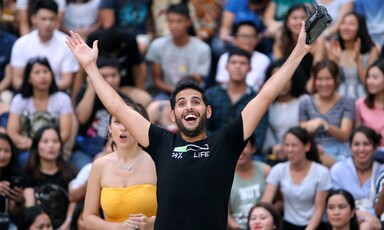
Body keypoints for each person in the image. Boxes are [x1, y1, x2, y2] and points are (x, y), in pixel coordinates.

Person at [65, 15, 315, 228]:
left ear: (207, 111)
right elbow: (118, 107)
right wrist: (90, 68)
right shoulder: (161, 142)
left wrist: (300, 50)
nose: (189, 106)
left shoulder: (226, 142)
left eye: (195, 102)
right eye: (181, 103)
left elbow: (266, 94)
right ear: (172, 116)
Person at [84, 99, 157, 229]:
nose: (123, 128)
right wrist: (118, 227)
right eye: (118, 122)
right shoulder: (100, 165)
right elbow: (88, 218)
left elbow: (177, 210)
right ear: (110, 128)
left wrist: (152, 223)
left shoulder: (157, 161)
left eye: (129, 121)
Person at [7, 57, 74, 166]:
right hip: (26, 149)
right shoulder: (19, 100)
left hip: (54, 148)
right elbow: (12, 132)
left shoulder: (62, 99)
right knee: (25, 160)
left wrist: (48, 145)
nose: (42, 76)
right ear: (28, 78)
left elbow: (65, 134)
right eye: (37, 72)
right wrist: (35, 145)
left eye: (46, 71)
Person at [261, 127, 331, 229]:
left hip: (314, 225)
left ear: (307, 146)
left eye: (294, 145)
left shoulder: (321, 172)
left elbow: (319, 210)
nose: (289, 150)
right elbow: (266, 202)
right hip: (287, 224)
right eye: (287, 145)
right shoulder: (278, 170)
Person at [207, 47, 268, 153]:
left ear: (250, 68)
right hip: (213, 150)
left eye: (243, 63)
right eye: (233, 62)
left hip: (245, 154)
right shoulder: (211, 95)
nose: (238, 66)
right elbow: (204, 128)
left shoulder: (257, 99)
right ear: (226, 67)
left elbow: (259, 136)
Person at [145, 3, 211, 98]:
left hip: (193, 93)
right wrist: (174, 91)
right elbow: (157, 81)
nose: (174, 26)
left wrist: (181, 93)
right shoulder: (157, 45)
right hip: (166, 93)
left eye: (179, 21)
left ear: (188, 22)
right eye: (171, 21)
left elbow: (197, 80)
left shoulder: (203, 48)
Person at [11, 0, 79, 92]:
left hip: (57, 93)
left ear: (57, 19)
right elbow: (16, 80)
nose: (47, 23)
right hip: (27, 94)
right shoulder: (21, 43)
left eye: (51, 19)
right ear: (34, 19)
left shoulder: (66, 43)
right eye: (43, 19)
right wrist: (35, 91)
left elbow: (67, 81)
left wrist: (44, 90)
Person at [23, 125, 78, 230]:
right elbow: (30, 208)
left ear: (60, 146)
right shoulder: (28, 173)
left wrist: (67, 224)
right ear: (36, 145)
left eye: (55, 141)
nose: (51, 145)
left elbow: (74, 200)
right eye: (45, 141)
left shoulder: (70, 171)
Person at [299, 60, 354, 162]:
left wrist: (323, 123)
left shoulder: (347, 101)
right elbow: (302, 131)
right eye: (319, 79)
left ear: (336, 79)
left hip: (339, 151)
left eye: (328, 79)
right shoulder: (305, 102)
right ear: (314, 80)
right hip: (313, 149)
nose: (324, 84)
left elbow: (345, 135)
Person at [330, 126, 383, 230]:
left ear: (376, 147)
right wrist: (364, 215)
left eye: (366, 144)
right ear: (350, 147)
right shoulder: (338, 170)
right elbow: (335, 204)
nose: (361, 149)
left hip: (376, 221)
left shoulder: (381, 170)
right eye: (356, 144)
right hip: (344, 219)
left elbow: (379, 208)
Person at [327, 12, 380, 100]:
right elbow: (330, 85)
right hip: (339, 100)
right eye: (343, 23)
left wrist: (358, 61)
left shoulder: (371, 51)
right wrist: (335, 61)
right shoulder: (336, 50)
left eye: (351, 24)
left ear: (360, 28)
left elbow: (370, 85)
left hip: (363, 100)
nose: (346, 27)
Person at [228, 136, 271, 229]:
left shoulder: (266, 171)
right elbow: (221, 210)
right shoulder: (224, 175)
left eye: (244, 146)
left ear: (253, 148)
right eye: (235, 146)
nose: (240, 151)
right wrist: (235, 227)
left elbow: (279, 201)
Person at [215, 21, 271, 91]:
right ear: (234, 39)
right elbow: (222, 84)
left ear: (257, 39)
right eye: (244, 36)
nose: (247, 40)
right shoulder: (225, 58)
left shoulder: (264, 60)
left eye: (251, 36)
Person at [355, 59, 384, 160]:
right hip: (368, 155)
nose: (370, 81)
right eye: (368, 77)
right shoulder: (360, 104)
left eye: (375, 78)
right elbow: (357, 135)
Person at [0, 133, 26, 229]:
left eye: (7, 151)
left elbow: (12, 212)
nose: (2, 155)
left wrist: (19, 201)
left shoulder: (14, 175)